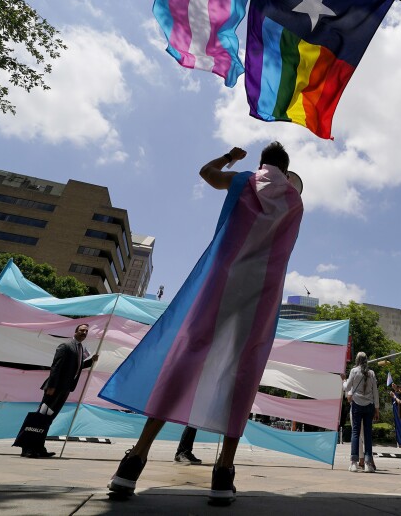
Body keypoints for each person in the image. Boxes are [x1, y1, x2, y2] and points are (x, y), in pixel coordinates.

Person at [100, 143, 304, 505]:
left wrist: (230, 158)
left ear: (262, 164)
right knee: (244, 369)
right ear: (286, 170)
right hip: (261, 292)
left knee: (185, 357)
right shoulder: (295, 201)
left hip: (221, 281)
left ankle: (134, 460)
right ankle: (223, 473)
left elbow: (206, 174)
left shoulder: (244, 181)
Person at [18, 322, 98, 458]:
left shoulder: (79, 349)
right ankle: (27, 448)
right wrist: (52, 386)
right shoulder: (66, 346)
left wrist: (90, 362)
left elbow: (75, 366)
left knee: (48, 419)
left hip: (65, 389)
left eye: (86, 332)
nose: (84, 333)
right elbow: (56, 366)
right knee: (40, 418)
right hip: (54, 389)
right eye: (82, 330)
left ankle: (39, 447)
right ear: (75, 331)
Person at [344, 351, 379, 473]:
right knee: (368, 434)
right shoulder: (371, 373)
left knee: (355, 433)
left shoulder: (354, 371)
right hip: (369, 405)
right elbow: (375, 391)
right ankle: (368, 464)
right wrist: (377, 408)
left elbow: (347, 387)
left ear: (357, 360)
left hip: (357, 404)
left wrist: (343, 381)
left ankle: (353, 462)